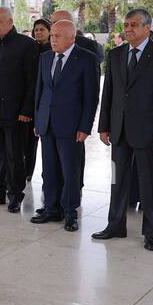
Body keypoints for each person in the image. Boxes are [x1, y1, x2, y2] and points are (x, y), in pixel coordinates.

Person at [92, 9, 153, 251]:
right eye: (126, 25)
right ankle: (115, 225)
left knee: (150, 184)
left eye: (134, 25)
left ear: (148, 28)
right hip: (119, 131)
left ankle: (151, 233)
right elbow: (108, 93)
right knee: (117, 180)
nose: (128, 29)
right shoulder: (116, 54)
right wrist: (104, 126)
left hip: (149, 134)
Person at [32, 20, 99, 230]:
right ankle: (52, 209)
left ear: (71, 38)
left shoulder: (87, 59)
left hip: (71, 126)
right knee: (49, 169)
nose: (53, 39)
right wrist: (38, 119)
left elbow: (91, 97)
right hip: (47, 123)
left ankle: (70, 212)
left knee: (70, 171)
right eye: (52, 35)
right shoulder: (45, 57)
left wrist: (85, 127)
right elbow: (40, 91)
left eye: (57, 36)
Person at [0, 6, 40, 213]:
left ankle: (15, 195)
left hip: (15, 112)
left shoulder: (27, 45)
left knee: (14, 155)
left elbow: (32, 82)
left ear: (11, 22)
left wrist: (27, 110)